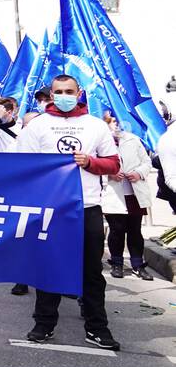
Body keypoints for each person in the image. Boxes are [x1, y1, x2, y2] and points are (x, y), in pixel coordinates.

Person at [15, 75, 120, 350]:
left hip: (87, 208)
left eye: (69, 91)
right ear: (51, 94)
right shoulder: (37, 126)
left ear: (79, 92)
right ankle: (44, 324)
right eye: (58, 91)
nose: (64, 96)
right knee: (48, 268)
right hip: (51, 209)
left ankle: (97, 328)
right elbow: (21, 167)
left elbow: (113, 164)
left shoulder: (95, 126)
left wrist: (90, 162)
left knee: (92, 272)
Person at [102, 121, 153, 281]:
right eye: (111, 121)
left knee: (135, 230)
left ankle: (138, 264)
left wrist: (139, 173)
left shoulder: (132, 139)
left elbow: (147, 162)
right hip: (113, 192)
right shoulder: (101, 140)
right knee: (117, 229)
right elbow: (92, 165)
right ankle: (116, 263)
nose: (115, 125)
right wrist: (109, 174)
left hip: (134, 192)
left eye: (117, 121)